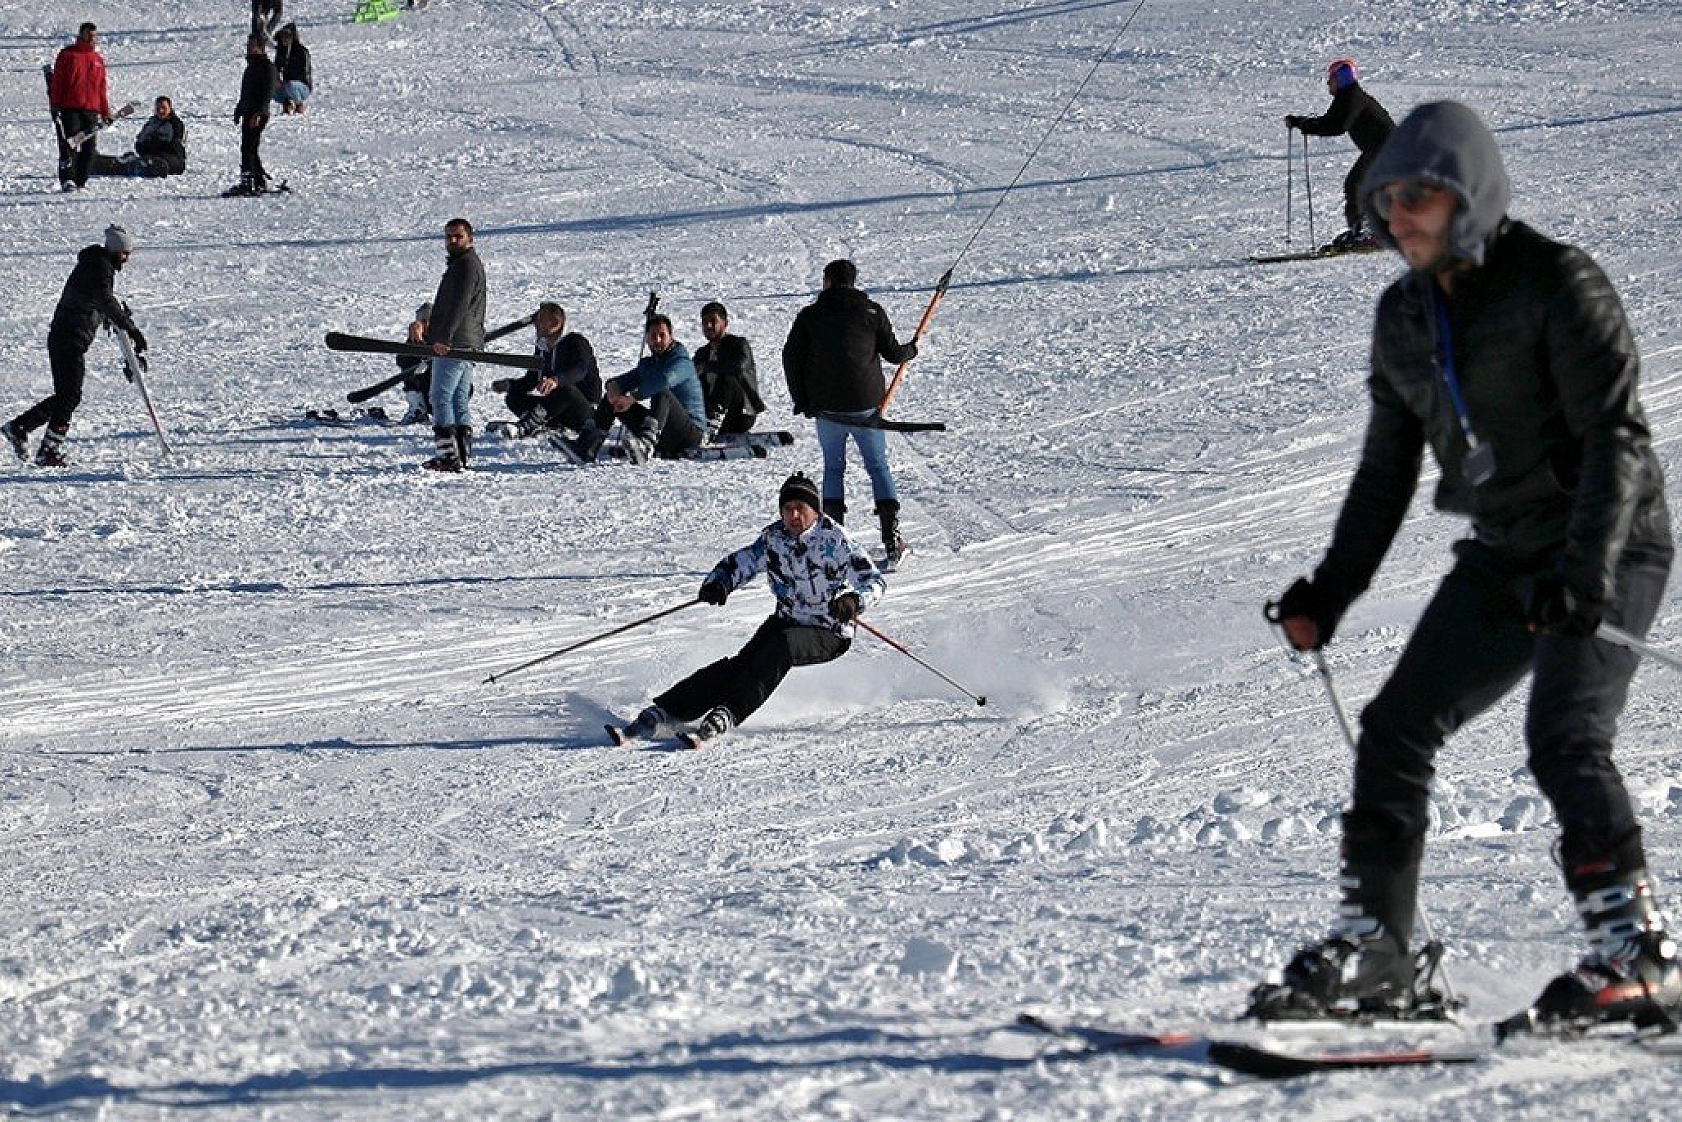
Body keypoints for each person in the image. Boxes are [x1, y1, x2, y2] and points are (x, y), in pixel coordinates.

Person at [1258, 101, 1680, 1032]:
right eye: (1384, 199)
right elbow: (1384, 474)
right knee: (1397, 726)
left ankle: (1638, 956)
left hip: (1610, 539)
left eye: (1419, 195)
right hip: (1504, 551)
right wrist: (1328, 593)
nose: (1397, 215)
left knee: (1565, 735)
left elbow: (1616, 438)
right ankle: (1380, 952)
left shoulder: (1557, 283)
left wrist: (1583, 572)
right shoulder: (1403, 316)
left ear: (1469, 195)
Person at [613, 472, 887, 747]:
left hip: (829, 629)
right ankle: (669, 711)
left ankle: (728, 712)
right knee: (741, 665)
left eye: (800, 509)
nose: (793, 515)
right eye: (787, 509)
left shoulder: (836, 539)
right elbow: (741, 562)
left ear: (814, 511)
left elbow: (875, 581)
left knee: (780, 648)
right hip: (786, 621)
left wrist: (854, 601)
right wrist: (720, 583)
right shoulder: (773, 538)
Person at [782, 258, 916, 566]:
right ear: (853, 281)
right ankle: (891, 539)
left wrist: (801, 399)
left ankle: (832, 543)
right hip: (866, 405)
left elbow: (791, 358)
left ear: (827, 281)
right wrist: (912, 349)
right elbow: (894, 353)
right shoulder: (871, 312)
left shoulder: (810, 315)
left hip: (827, 409)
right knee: (878, 467)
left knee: (833, 469)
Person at [3, 226, 145, 467]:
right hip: (68, 338)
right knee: (69, 396)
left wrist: (117, 316)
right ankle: (47, 448)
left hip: (67, 337)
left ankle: (20, 428)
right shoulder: (98, 268)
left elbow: (99, 301)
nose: (127, 259)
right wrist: (130, 327)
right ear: (114, 250)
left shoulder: (97, 265)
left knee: (66, 395)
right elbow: (104, 300)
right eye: (124, 253)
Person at [555, 314, 704, 464]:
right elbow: (624, 380)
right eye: (653, 336)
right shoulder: (649, 364)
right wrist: (613, 387)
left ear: (671, 337)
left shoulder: (682, 361)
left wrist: (633, 397)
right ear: (647, 338)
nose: (657, 340)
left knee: (662, 392)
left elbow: (665, 380)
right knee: (612, 400)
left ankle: (646, 445)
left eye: (662, 335)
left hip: (689, 434)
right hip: (664, 434)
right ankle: (586, 447)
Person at [1285, 58, 1394, 251]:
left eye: (1332, 78)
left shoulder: (1352, 98)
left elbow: (1336, 126)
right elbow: (1330, 121)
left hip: (1387, 150)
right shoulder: (1348, 97)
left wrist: (1303, 124)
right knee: (1360, 186)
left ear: (1342, 78)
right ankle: (1365, 230)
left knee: (1357, 185)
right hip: (1384, 150)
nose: (1328, 83)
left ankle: (1368, 232)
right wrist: (1301, 123)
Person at [422, 218, 487, 471]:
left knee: (440, 397)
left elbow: (458, 304)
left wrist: (444, 337)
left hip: (456, 342)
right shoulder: (467, 264)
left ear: (470, 238)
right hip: (468, 341)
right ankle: (460, 454)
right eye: (448, 236)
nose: (452, 241)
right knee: (458, 399)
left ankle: (447, 456)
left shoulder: (466, 266)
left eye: (458, 236)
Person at [491, 303, 600, 438]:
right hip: (556, 407)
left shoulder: (576, 342)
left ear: (555, 323)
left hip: (583, 410)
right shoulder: (543, 346)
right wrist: (509, 385)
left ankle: (527, 425)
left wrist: (556, 381)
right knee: (514, 397)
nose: (536, 323)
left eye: (541, 319)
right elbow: (532, 379)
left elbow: (579, 370)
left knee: (566, 390)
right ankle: (547, 425)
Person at [48, 23, 112, 192]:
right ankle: (68, 178)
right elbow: (58, 81)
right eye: (89, 35)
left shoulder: (97, 60)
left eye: (94, 36)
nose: (92, 39)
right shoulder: (68, 55)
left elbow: (101, 88)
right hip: (70, 108)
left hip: (91, 110)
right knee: (70, 144)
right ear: (81, 35)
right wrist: (55, 105)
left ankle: (81, 180)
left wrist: (105, 111)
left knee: (89, 149)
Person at [693, 301, 764, 440]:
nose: (708, 326)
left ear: (725, 324)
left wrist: (708, 367)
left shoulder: (738, 344)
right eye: (705, 322)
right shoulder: (702, 353)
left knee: (728, 376)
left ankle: (713, 421)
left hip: (741, 413)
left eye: (713, 321)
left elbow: (739, 366)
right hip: (709, 415)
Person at [229, 34, 279, 196]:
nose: (249, 48)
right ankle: (257, 179)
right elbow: (245, 93)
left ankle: (248, 181)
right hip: (248, 112)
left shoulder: (267, 67)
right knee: (249, 147)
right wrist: (239, 110)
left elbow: (267, 93)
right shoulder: (251, 67)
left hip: (258, 114)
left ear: (260, 47)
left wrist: (258, 113)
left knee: (248, 148)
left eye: (252, 46)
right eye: (248, 45)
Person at [90, 95, 187, 178]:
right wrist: (148, 145)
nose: (161, 111)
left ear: (170, 109)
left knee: (153, 162)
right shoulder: (151, 123)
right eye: (158, 108)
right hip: (150, 157)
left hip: (171, 160)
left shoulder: (175, 124)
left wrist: (154, 143)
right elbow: (140, 143)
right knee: (130, 160)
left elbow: (174, 145)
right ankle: (99, 163)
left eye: (164, 108)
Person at [271, 23, 312, 114]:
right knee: (270, 87)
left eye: (287, 37)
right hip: (286, 85)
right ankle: (286, 103)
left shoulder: (301, 51)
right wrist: (276, 80)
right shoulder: (281, 52)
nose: (284, 40)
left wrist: (285, 82)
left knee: (291, 86)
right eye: (283, 37)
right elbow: (276, 68)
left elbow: (304, 72)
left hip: (302, 86)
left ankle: (299, 104)